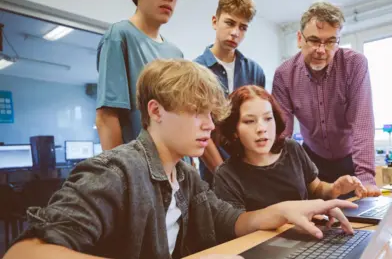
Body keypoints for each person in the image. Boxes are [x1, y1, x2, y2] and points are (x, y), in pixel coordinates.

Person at [4, 60, 357, 259]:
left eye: (210, 113)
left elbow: (231, 220)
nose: (208, 124)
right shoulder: (115, 171)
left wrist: (286, 210)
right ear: (156, 111)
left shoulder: (186, 178)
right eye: (195, 112)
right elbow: (23, 254)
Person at [271, 0, 381, 197]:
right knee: (315, 222)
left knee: (357, 222)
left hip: (350, 162)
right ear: (299, 38)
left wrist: (365, 178)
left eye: (330, 41)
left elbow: (362, 123)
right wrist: (275, 177)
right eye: (314, 40)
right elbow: (281, 133)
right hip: (311, 162)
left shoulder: (354, 65)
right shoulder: (284, 75)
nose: (321, 50)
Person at [213, 85, 367, 212]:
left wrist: (335, 188)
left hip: (308, 237)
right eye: (249, 121)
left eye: (268, 118)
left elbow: (317, 188)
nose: (261, 128)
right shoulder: (227, 175)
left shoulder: (292, 149)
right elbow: (236, 229)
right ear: (234, 131)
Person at [95, 0, 191, 151]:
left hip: (177, 166)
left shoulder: (176, 53)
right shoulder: (119, 36)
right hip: (140, 168)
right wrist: (121, 173)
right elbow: (106, 118)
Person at [194, 0, 266, 186]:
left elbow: (260, 123)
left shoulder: (255, 71)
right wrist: (223, 175)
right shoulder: (196, 71)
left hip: (252, 172)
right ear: (214, 21)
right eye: (230, 23)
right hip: (213, 175)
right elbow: (198, 129)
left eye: (243, 27)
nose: (235, 32)